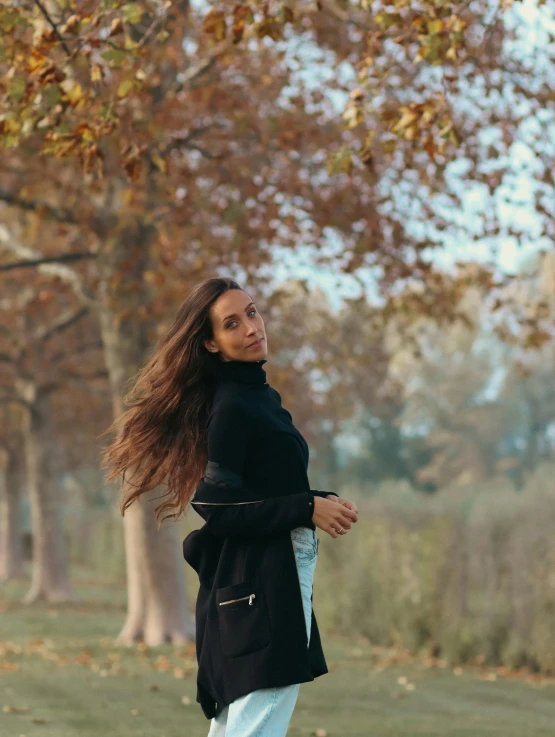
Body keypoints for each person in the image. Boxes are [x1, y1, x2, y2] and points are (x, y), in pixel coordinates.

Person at [101, 276, 358, 736]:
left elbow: (252, 491)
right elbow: (216, 504)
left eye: (252, 313)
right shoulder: (234, 407)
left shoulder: (257, 398)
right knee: (257, 721)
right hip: (266, 578)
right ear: (212, 343)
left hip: (261, 576)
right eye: (232, 323)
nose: (252, 328)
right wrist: (304, 509)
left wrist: (317, 502)